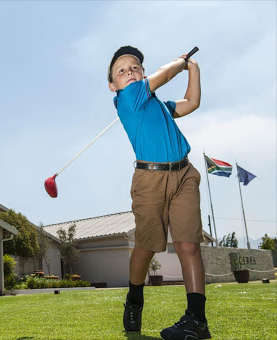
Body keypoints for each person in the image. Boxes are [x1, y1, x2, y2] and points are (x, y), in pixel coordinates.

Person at [108, 46, 210, 339]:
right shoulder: (127, 99)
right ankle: (135, 299)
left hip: (184, 176)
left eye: (135, 67)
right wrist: (180, 63)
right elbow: (164, 75)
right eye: (122, 70)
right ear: (113, 86)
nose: (130, 72)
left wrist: (194, 70)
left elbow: (191, 102)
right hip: (148, 182)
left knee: (188, 244)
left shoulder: (160, 106)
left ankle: (197, 319)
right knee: (147, 246)